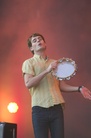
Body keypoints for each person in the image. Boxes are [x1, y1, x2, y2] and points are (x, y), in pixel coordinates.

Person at [22, 33, 91, 138]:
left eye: (40, 39)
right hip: (39, 110)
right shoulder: (29, 63)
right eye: (34, 41)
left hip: (56, 108)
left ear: (45, 44)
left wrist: (79, 88)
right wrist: (47, 70)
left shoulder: (55, 63)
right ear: (31, 48)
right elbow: (28, 84)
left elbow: (61, 86)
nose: (38, 41)